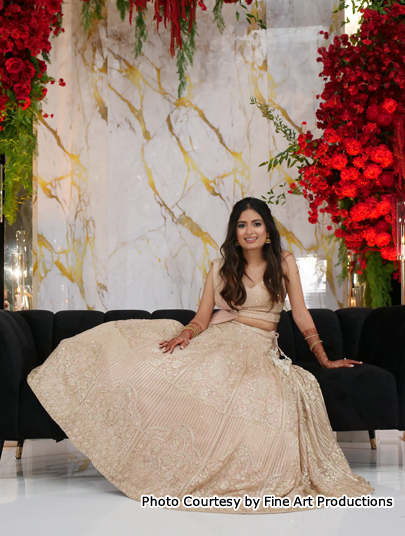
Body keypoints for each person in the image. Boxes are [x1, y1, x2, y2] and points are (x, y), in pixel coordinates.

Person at [27, 197, 373, 513]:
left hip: (258, 347)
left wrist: (324, 357)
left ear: (267, 231)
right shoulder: (220, 267)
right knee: (172, 368)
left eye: (255, 224)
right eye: (241, 225)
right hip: (222, 338)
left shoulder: (283, 262)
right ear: (234, 233)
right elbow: (202, 317)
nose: (248, 231)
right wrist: (184, 335)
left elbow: (299, 313)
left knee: (258, 391)